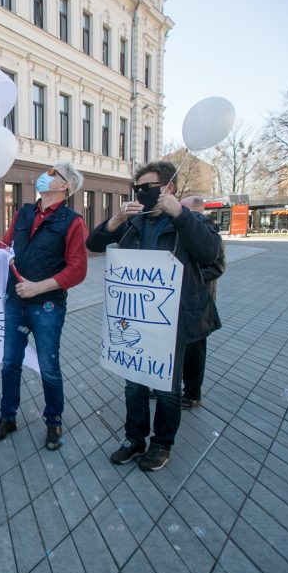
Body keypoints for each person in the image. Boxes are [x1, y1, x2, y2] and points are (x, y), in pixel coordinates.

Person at [87, 162, 221, 471]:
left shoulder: (192, 221)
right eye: (138, 189)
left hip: (171, 321)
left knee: (166, 386)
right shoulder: (135, 222)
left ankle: (162, 444)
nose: (141, 194)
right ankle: (134, 439)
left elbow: (211, 253)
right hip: (134, 319)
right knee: (134, 383)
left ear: (168, 188)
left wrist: (180, 214)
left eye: (147, 188)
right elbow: (93, 244)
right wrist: (117, 218)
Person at [0, 161, 88, 451]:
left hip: (47, 306)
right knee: (10, 363)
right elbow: (6, 247)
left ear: (64, 185)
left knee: (49, 367)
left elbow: (78, 270)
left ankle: (53, 423)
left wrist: (38, 287)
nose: (46, 176)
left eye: (53, 173)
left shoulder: (72, 221)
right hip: (15, 302)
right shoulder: (24, 212)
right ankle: (8, 417)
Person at [178, 196, 226, 409]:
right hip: (176, 301)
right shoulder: (180, 229)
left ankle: (192, 394)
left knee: (194, 353)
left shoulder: (209, 235)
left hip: (198, 304)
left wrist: (186, 275)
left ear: (197, 211)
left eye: (183, 208)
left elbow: (217, 267)